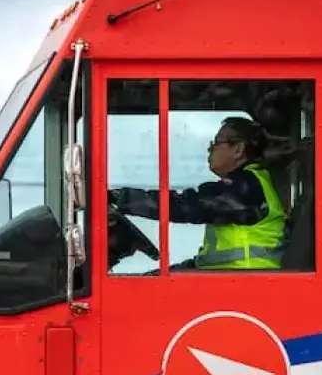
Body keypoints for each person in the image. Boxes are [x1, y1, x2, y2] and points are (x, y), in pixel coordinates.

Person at [107, 116, 288, 271]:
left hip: (244, 283)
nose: (210, 149)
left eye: (216, 143)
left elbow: (187, 205)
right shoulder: (249, 183)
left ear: (238, 149)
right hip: (231, 277)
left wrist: (120, 199)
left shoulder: (246, 188)